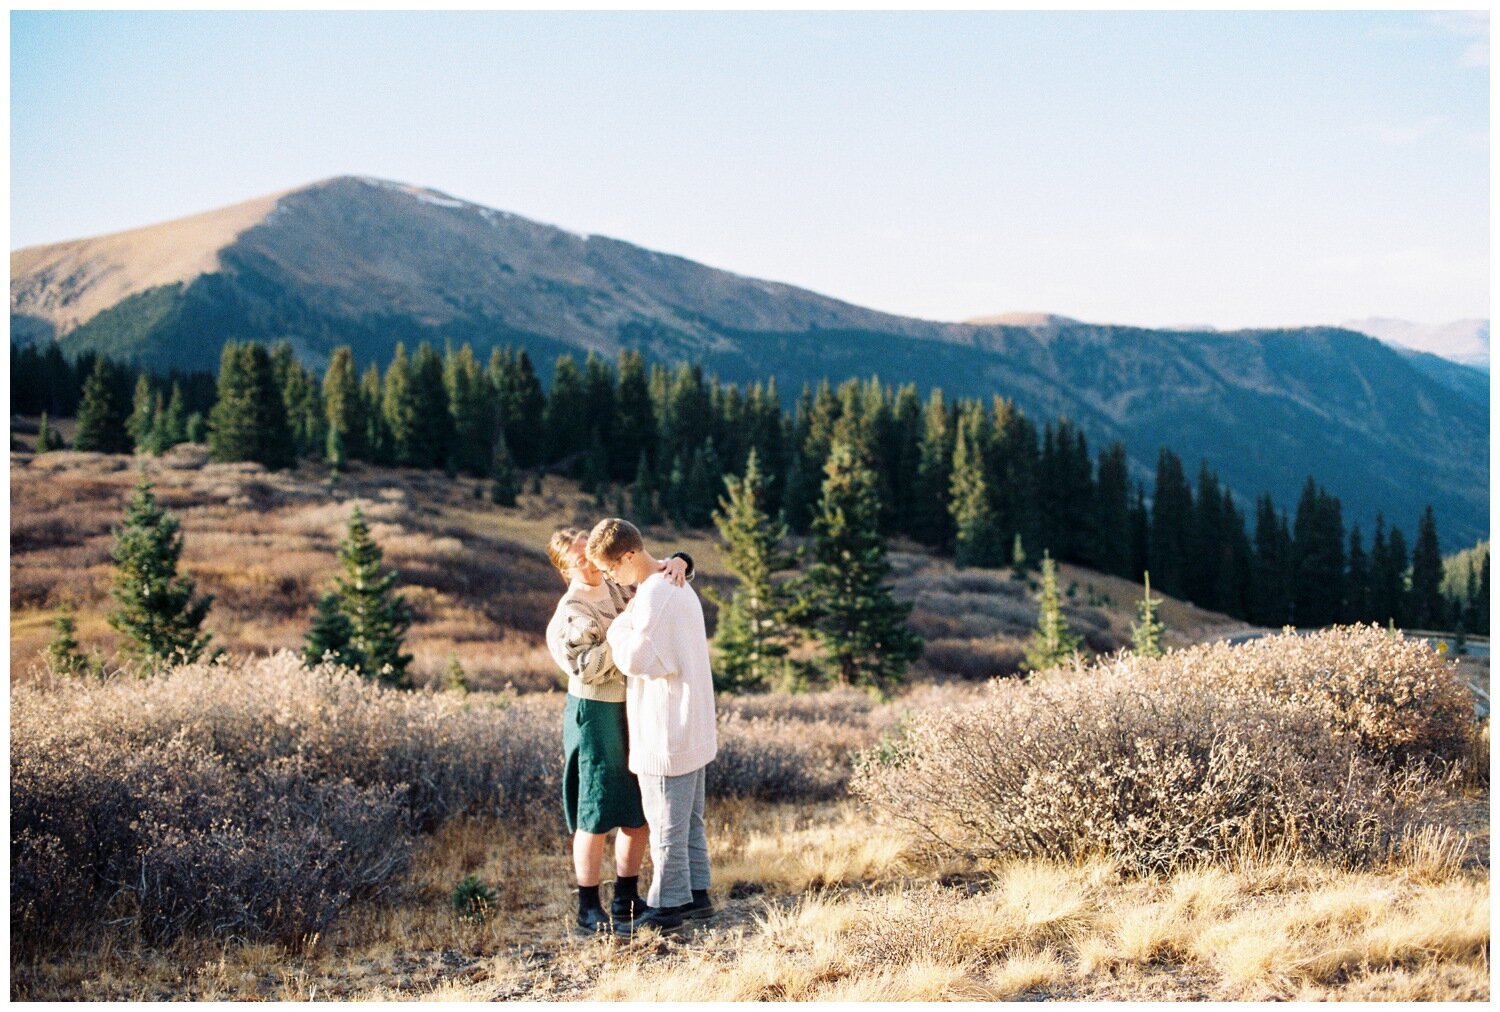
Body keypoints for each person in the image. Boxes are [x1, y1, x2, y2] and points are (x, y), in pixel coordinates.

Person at [544, 527, 692, 935]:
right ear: (565, 569)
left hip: (633, 708)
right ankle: (587, 907)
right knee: (594, 810)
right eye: (579, 560)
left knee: (637, 806)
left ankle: (626, 896)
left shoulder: (614, 585)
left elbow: (652, 575)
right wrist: (631, 627)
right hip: (594, 714)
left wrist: (680, 561)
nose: (591, 565)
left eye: (592, 556)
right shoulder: (569, 613)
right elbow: (588, 665)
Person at [587, 518, 718, 937]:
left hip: (668, 730)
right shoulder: (673, 583)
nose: (610, 578)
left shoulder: (656, 594)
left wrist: (618, 626)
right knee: (688, 820)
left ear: (628, 556)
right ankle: (697, 894)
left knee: (665, 824)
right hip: (689, 725)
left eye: (611, 569)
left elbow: (636, 660)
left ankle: (667, 903)